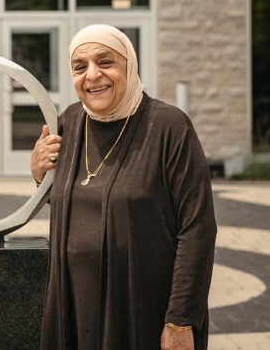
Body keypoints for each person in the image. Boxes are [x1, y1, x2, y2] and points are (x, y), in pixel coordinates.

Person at [30, 24, 216, 350]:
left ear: (129, 65)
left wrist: (180, 320)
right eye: (80, 67)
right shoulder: (70, 123)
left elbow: (197, 229)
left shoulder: (168, 127)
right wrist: (39, 175)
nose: (92, 75)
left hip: (143, 312)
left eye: (105, 62)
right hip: (74, 308)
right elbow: (74, 201)